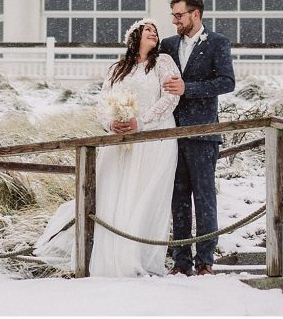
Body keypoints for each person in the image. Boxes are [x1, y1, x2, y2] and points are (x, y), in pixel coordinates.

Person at [33, 18, 181, 276]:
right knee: (111, 193)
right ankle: (107, 254)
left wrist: (141, 122)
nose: (154, 34)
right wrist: (112, 123)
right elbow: (102, 103)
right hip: (119, 140)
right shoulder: (117, 68)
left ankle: (137, 257)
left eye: (156, 31)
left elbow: (171, 97)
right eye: (148, 29)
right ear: (134, 35)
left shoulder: (163, 62)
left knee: (144, 195)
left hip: (155, 138)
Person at [159, 0, 236, 276]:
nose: (175, 21)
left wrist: (188, 89)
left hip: (204, 133)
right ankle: (181, 262)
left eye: (179, 15)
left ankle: (205, 261)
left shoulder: (217, 43)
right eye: (173, 16)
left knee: (204, 198)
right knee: (178, 199)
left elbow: (226, 82)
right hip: (170, 134)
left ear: (196, 14)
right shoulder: (167, 45)